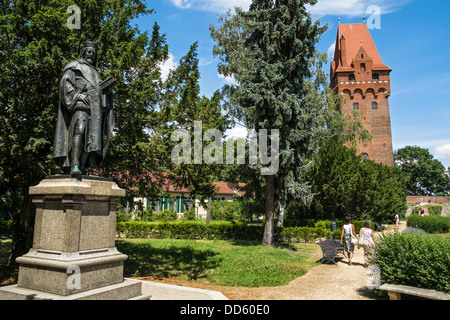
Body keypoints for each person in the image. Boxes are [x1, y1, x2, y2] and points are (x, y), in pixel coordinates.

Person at [53, 41, 115, 176]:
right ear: (83, 52)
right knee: (80, 131)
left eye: (94, 53)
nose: (91, 55)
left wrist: (107, 92)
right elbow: (65, 84)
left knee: (91, 139)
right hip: (81, 106)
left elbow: (99, 92)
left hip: (95, 110)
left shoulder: (96, 73)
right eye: (89, 52)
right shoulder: (75, 66)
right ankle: (74, 164)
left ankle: (82, 165)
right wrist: (78, 95)